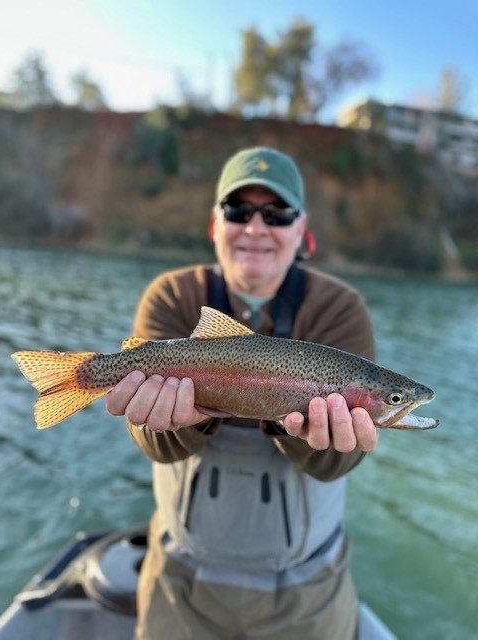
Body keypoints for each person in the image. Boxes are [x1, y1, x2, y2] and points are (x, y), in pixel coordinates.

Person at [106, 147, 378, 640]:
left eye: (277, 214)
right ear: (215, 225)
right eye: (238, 211)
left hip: (307, 594)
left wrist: (314, 436)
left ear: (302, 231)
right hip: (179, 586)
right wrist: (166, 420)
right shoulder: (172, 295)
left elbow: (338, 464)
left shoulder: (341, 310)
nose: (255, 227)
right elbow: (153, 445)